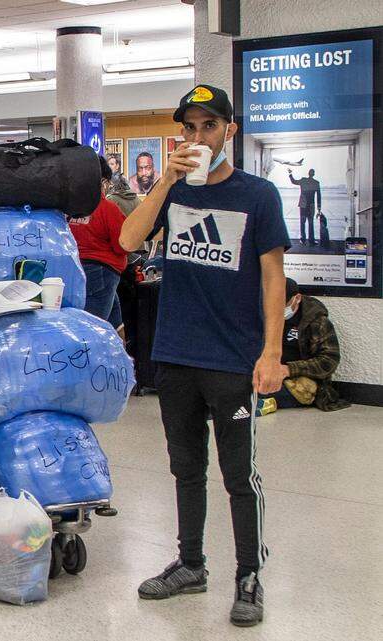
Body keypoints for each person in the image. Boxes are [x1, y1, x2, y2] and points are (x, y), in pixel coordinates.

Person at [119, 84, 288, 627]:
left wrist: (272, 353)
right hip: (175, 354)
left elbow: (272, 277)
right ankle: (190, 563)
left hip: (233, 359)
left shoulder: (257, 195)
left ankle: (249, 576)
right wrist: (164, 179)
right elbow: (127, 239)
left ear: (229, 132)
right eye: (189, 128)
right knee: (185, 467)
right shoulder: (173, 189)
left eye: (208, 127)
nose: (198, 138)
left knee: (239, 474)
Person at [256, 278, 349, 416]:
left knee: (286, 391)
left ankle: (262, 401)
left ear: (297, 299)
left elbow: (329, 360)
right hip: (265, 373)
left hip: (298, 380)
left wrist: (288, 370)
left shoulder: (316, 321)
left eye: (282, 305)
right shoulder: (260, 314)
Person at [70, 157, 129, 330]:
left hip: (75, 271)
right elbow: (123, 244)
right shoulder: (108, 209)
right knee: (93, 329)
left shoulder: (68, 208)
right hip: (103, 272)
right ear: (102, 181)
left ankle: (121, 356)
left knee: (115, 322)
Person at [288, 169, 321, 246]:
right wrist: (319, 208)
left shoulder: (303, 181)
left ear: (309, 173)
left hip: (303, 205)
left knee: (303, 222)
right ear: (314, 174)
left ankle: (303, 239)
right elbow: (319, 197)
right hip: (311, 206)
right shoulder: (316, 183)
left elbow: (293, 181)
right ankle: (311, 240)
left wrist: (290, 174)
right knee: (310, 223)